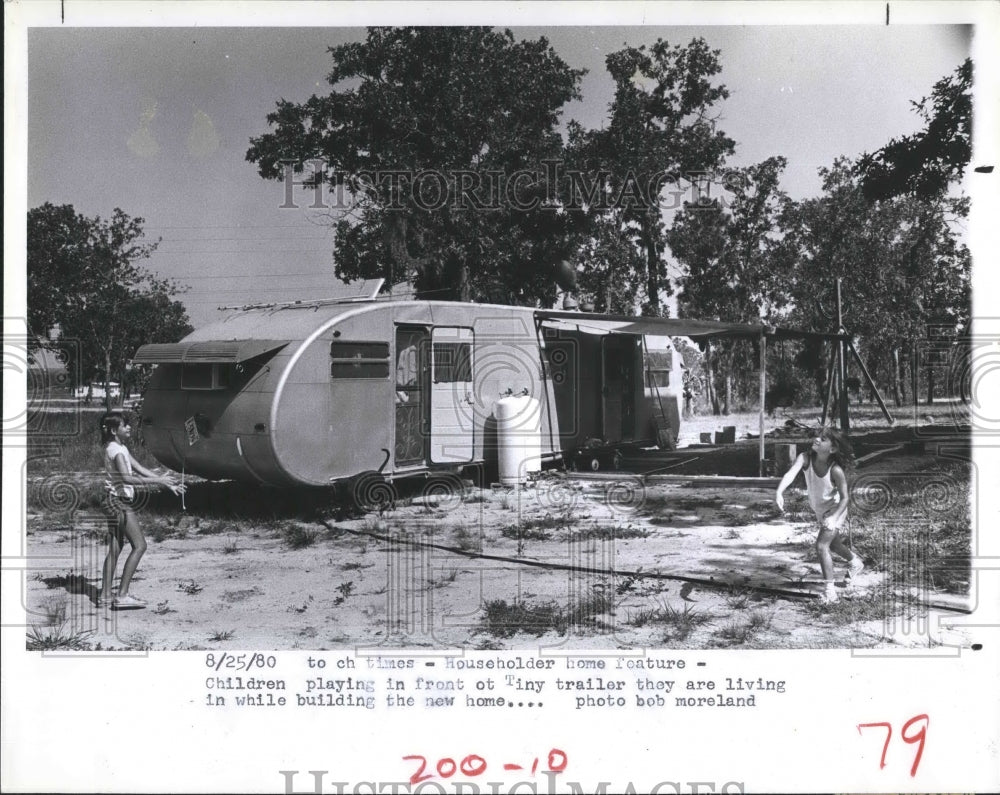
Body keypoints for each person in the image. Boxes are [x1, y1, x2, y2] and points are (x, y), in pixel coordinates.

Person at [98, 412, 185, 610]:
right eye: (125, 425)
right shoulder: (117, 452)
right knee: (140, 545)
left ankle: (104, 596)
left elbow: (138, 468)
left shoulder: (118, 448)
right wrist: (158, 481)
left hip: (110, 501)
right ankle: (122, 596)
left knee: (115, 548)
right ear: (114, 430)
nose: (129, 428)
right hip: (119, 503)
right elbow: (127, 478)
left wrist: (164, 481)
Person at [774, 427, 864, 603]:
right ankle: (855, 562)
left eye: (822, 439)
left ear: (832, 449)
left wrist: (833, 517)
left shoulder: (835, 470)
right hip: (820, 510)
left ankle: (830, 593)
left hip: (836, 509)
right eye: (817, 437)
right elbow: (790, 474)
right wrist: (779, 492)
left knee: (822, 546)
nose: (816, 439)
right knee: (834, 545)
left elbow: (845, 498)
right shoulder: (805, 458)